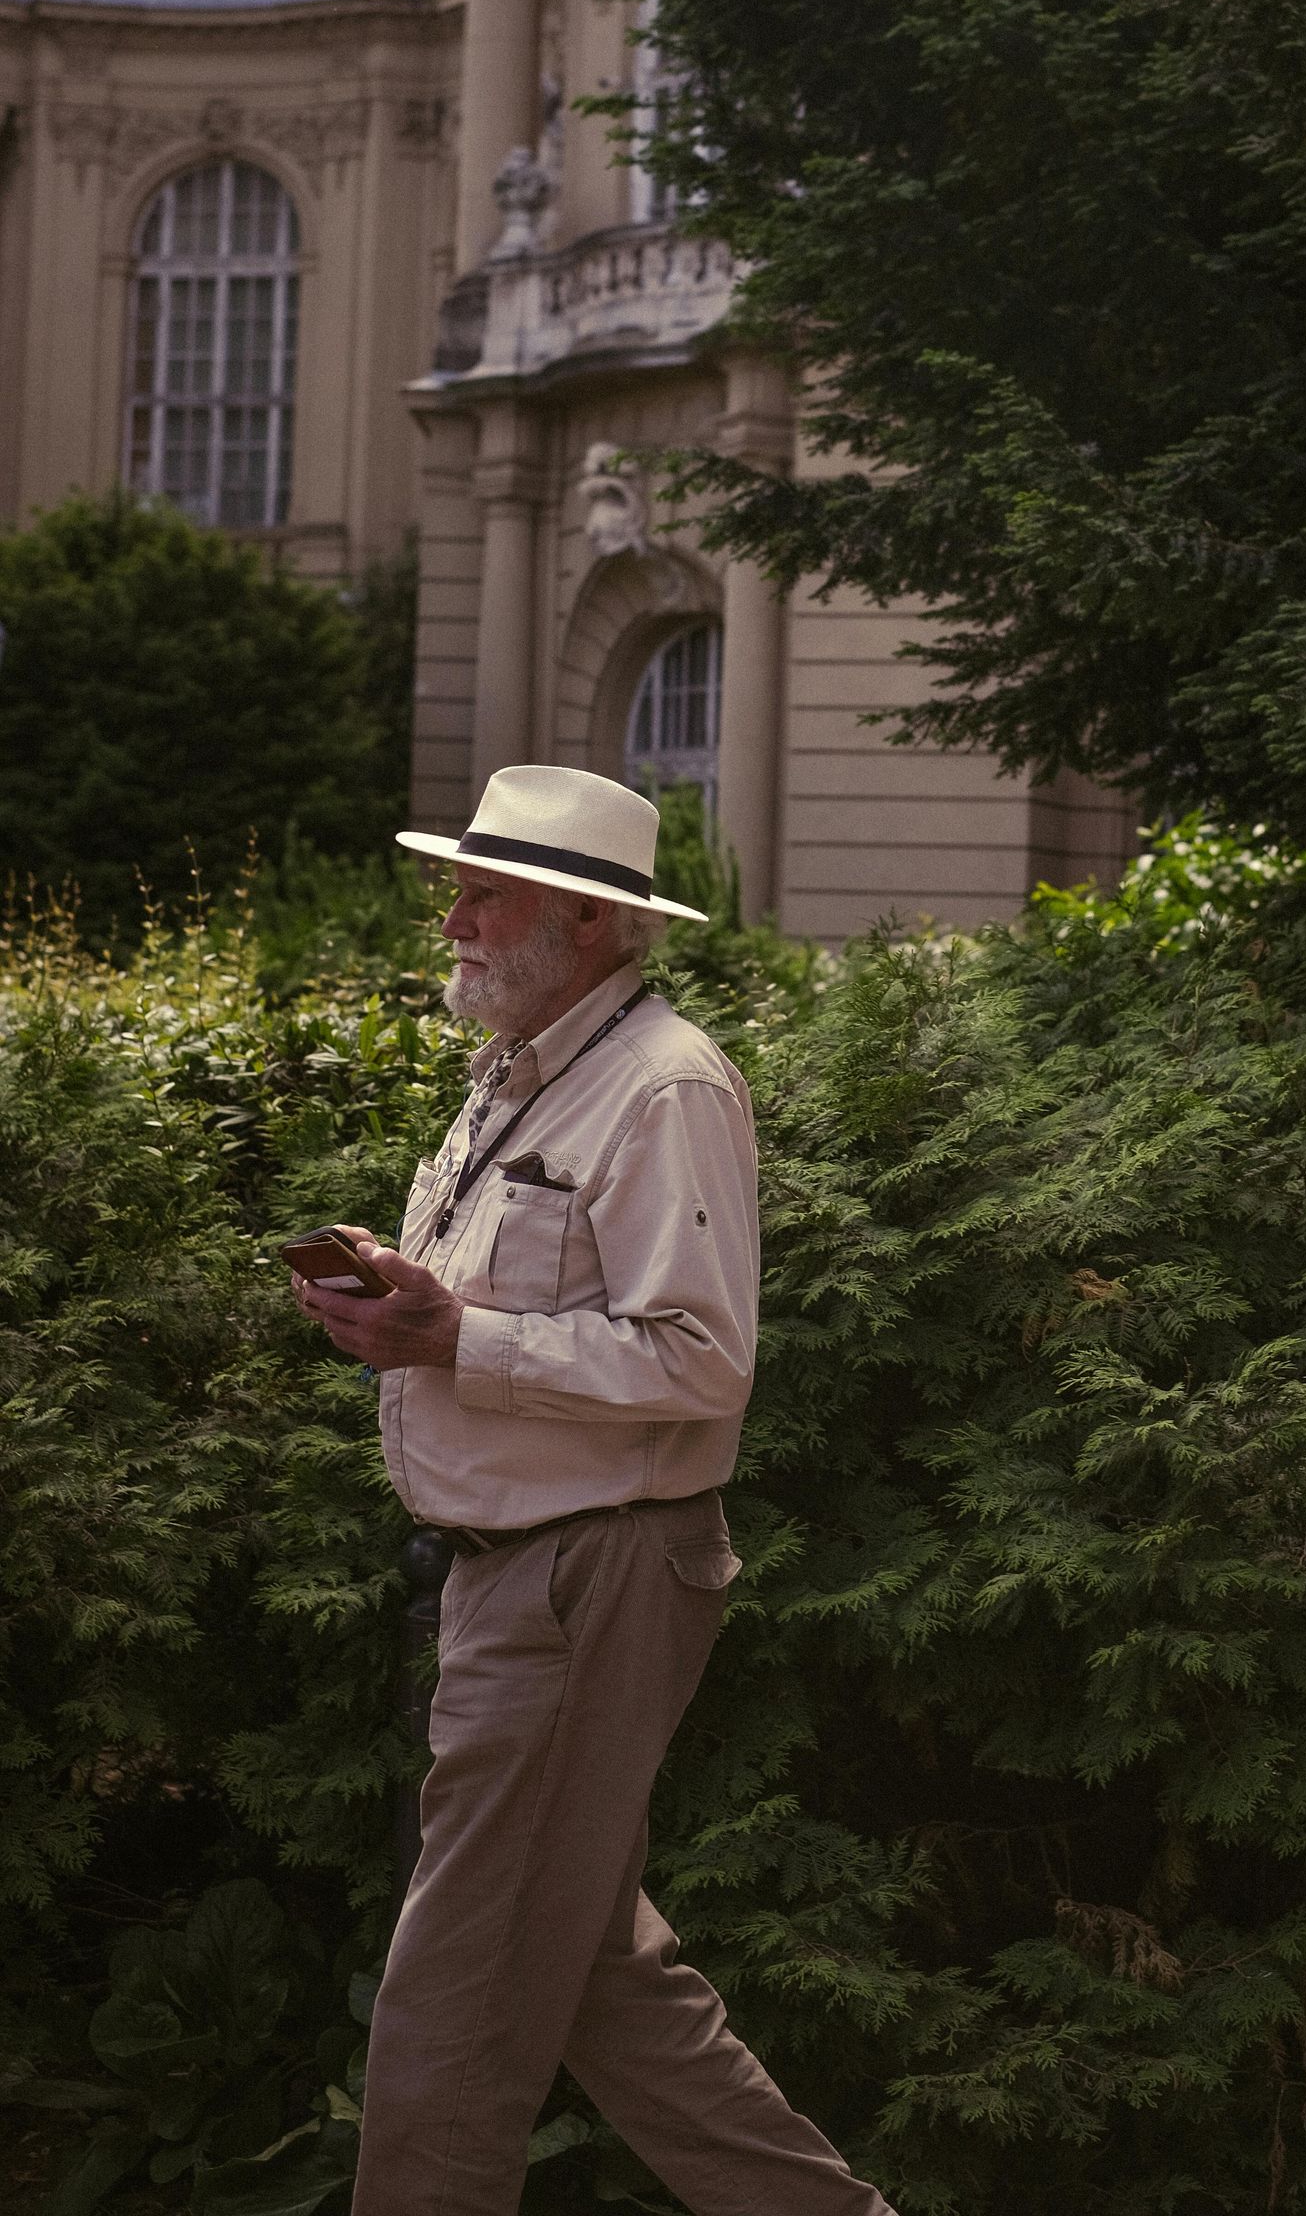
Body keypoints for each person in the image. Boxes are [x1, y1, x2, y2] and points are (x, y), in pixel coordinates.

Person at [294, 764, 896, 2216]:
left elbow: (701, 1362)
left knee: (455, 2002)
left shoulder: (667, 1085)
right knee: (588, 1979)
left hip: (587, 1578)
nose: (453, 915)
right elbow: (532, 1307)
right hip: (527, 1579)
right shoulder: (524, 1072)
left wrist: (458, 1337)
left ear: (590, 925)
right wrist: (418, 1298)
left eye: (485, 892)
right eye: (462, 885)